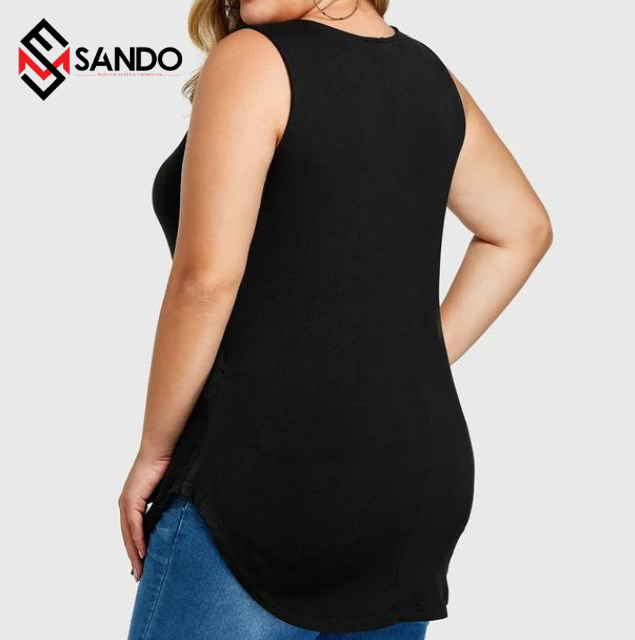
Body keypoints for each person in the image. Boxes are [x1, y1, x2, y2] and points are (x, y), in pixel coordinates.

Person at [120, 1, 553, 639]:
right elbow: (521, 229)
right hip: (412, 487)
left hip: (265, 477)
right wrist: (405, 365)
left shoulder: (252, 61)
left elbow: (204, 281)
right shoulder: (432, 78)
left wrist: (153, 453)